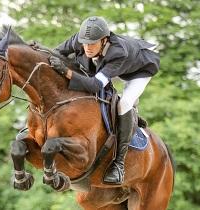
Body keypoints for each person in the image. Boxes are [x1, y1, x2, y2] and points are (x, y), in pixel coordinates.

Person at [49, 16, 160, 184]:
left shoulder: (118, 53)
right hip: (112, 65)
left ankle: (119, 164)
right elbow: (54, 54)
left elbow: (94, 85)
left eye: (92, 43)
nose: (87, 47)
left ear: (104, 40)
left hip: (141, 69)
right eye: (85, 43)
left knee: (124, 103)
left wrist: (67, 72)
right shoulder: (79, 41)